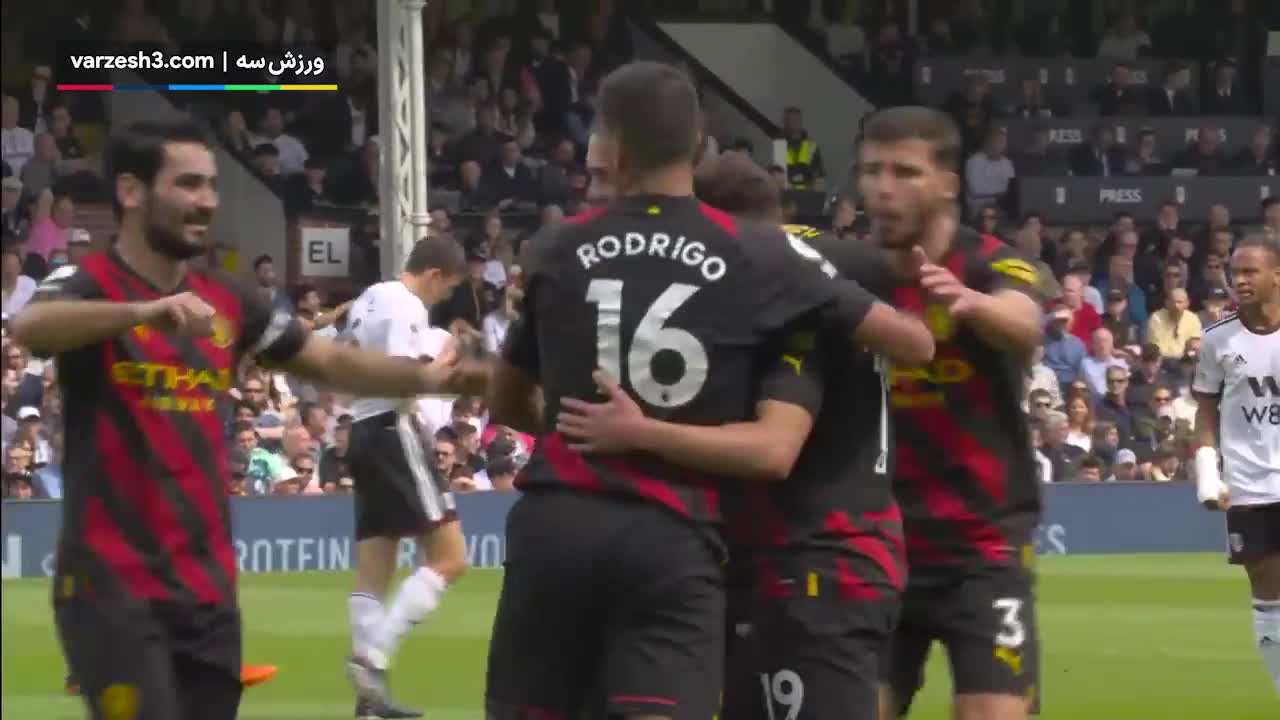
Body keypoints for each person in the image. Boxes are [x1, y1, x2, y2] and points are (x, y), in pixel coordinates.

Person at [482, 61, 934, 720]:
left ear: (614, 149)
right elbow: (913, 344)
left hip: (555, 525)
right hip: (674, 531)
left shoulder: (552, 248)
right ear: (698, 147)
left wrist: (577, 425)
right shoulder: (758, 253)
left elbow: (504, 401)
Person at [9, 120, 486, 720]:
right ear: (130, 191)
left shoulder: (230, 298)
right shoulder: (85, 282)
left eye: (211, 185)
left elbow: (329, 360)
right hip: (112, 586)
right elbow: (31, 328)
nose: (207, 200)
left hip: (207, 591)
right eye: (188, 184)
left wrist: (428, 379)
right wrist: (143, 312)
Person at [855, 108, 1046, 720]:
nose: (883, 188)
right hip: (874, 547)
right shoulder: (847, 273)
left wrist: (974, 306)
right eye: (871, 171)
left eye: (904, 172)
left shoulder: (993, 263)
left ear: (947, 184)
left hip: (981, 549)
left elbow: (1025, 321)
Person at [342, 236, 473, 719]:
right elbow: (404, 378)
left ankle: (368, 706)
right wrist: (444, 365)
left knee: (374, 566)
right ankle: (371, 658)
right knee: (451, 558)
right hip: (391, 428)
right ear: (435, 274)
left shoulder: (369, 298)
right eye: (447, 288)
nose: (443, 298)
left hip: (360, 428)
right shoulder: (406, 305)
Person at [1192, 234, 1280, 694]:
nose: (1240, 280)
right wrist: (1209, 475)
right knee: (1268, 596)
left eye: (1250, 272)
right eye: (1235, 273)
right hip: (1248, 485)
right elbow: (1205, 412)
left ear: (1277, 275)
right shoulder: (1216, 340)